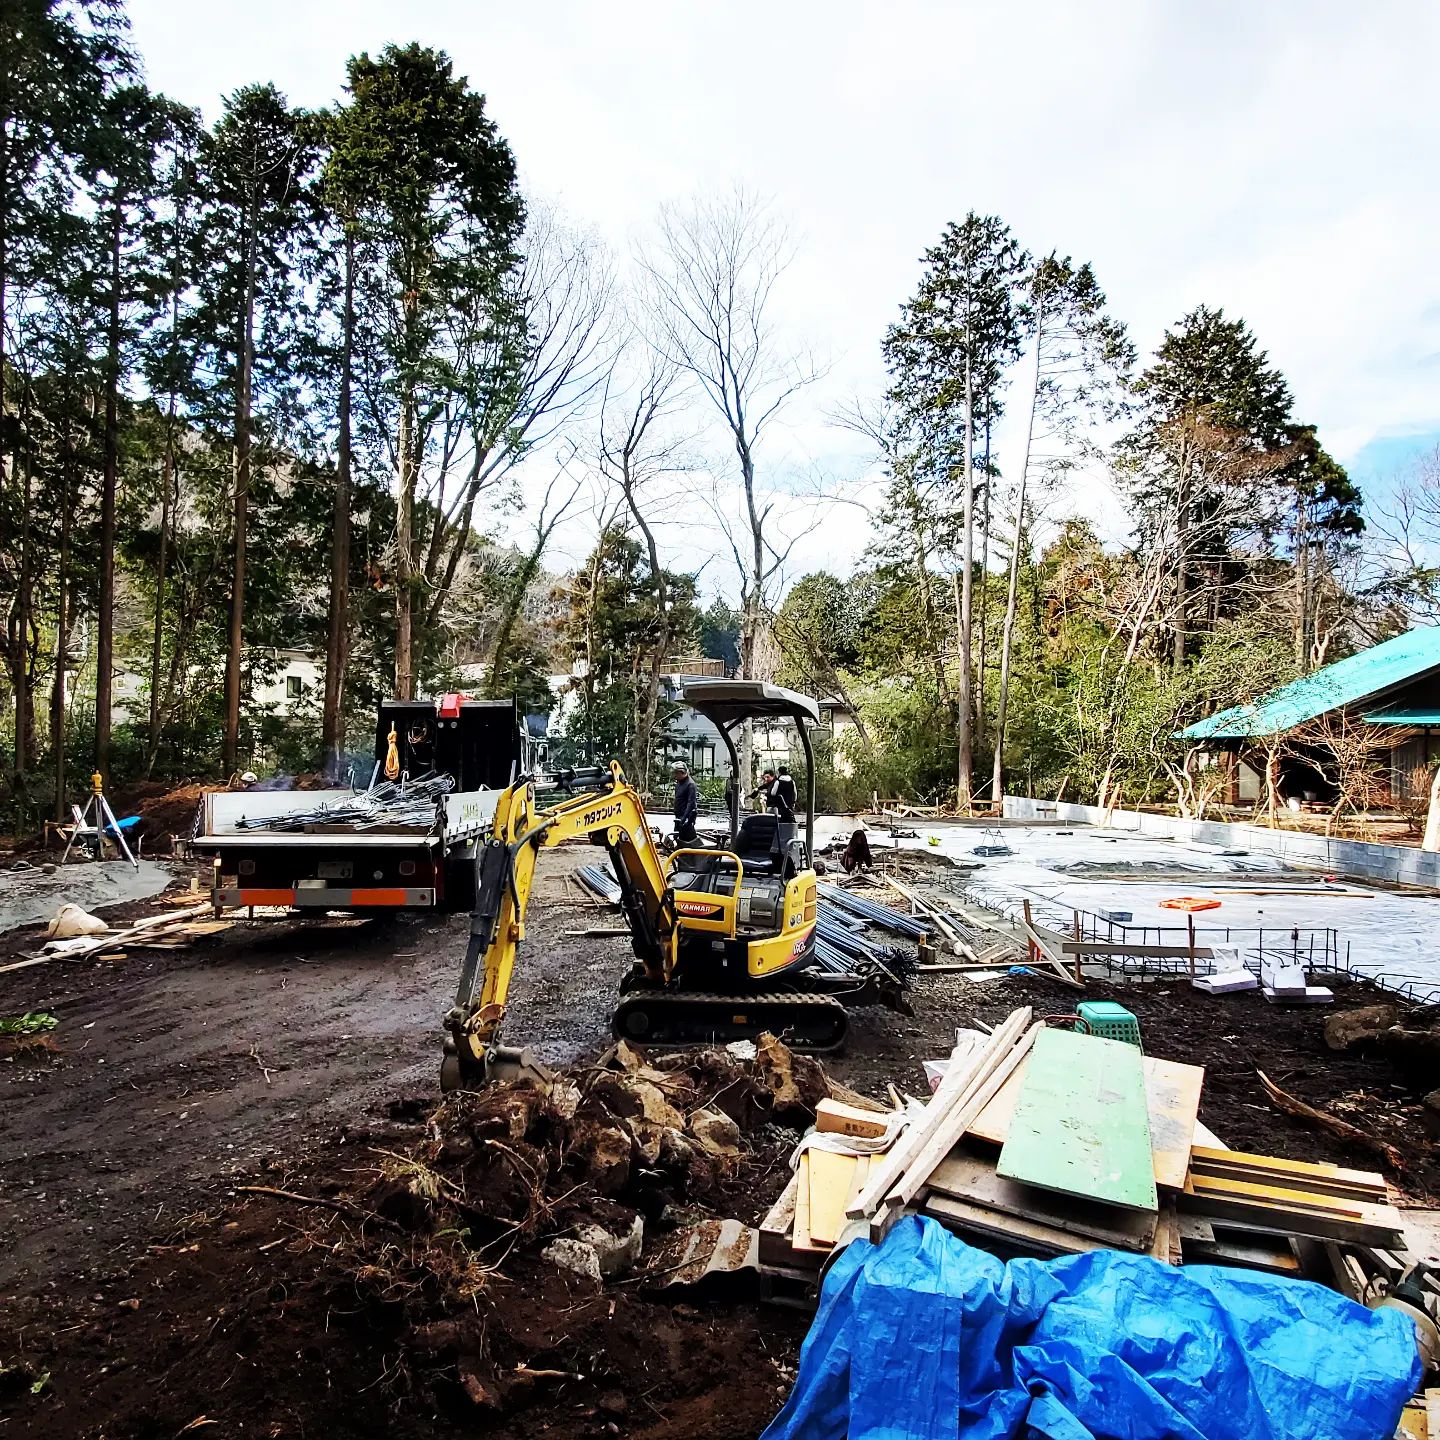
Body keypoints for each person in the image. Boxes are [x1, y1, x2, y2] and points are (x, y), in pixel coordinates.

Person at [672, 761, 699, 845]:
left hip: (686, 816)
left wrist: (684, 818)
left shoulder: (690, 784)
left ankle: (688, 856)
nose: (675, 776)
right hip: (679, 814)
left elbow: (691, 803)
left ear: (681, 772)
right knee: (677, 836)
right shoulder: (679, 783)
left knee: (687, 839)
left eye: (676, 773)